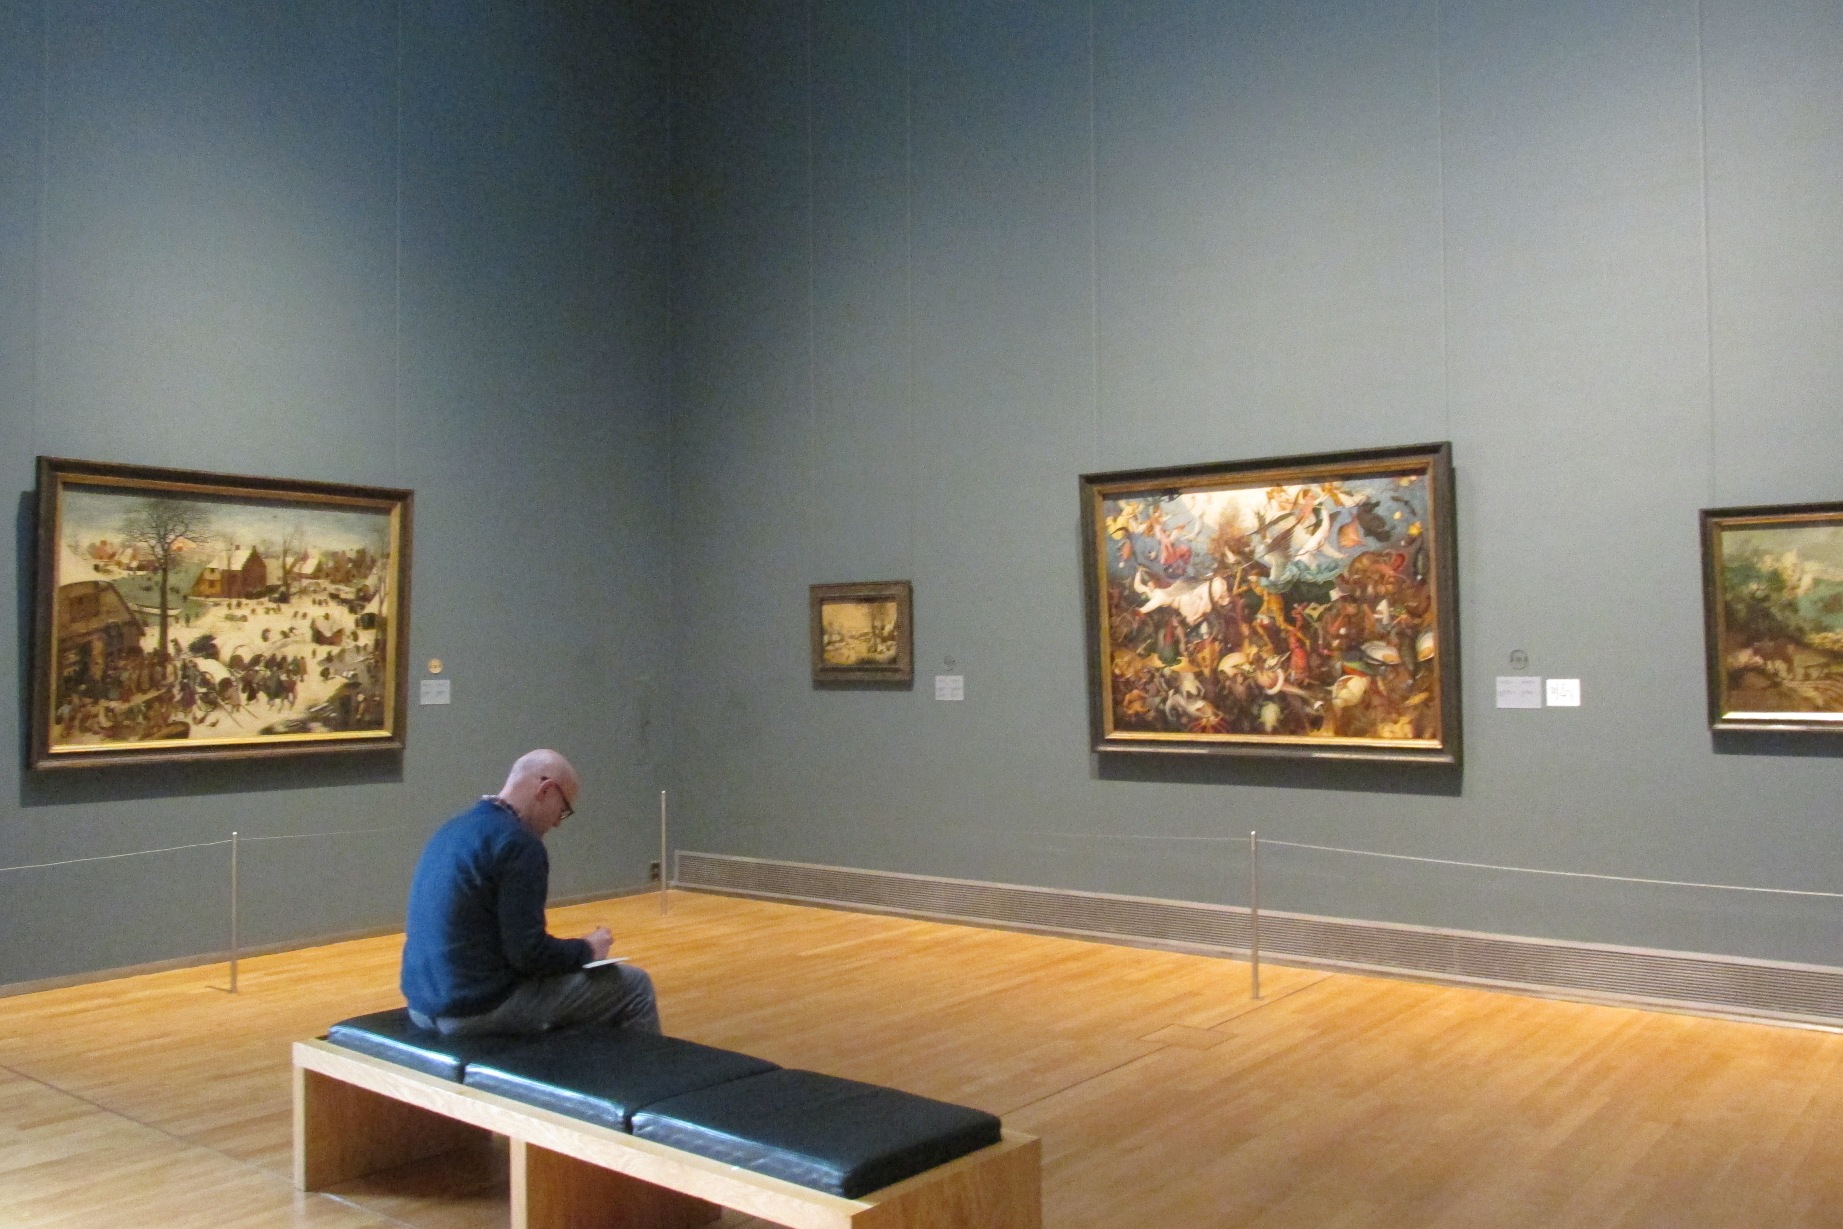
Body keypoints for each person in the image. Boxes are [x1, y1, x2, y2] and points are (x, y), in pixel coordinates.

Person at [400, 748, 659, 1036]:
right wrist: (587, 949)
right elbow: (528, 954)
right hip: (474, 1008)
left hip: (421, 1006)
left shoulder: (452, 829)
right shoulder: (519, 844)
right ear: (546, 790)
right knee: (635, 986)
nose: (557, 822)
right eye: (563, 809)